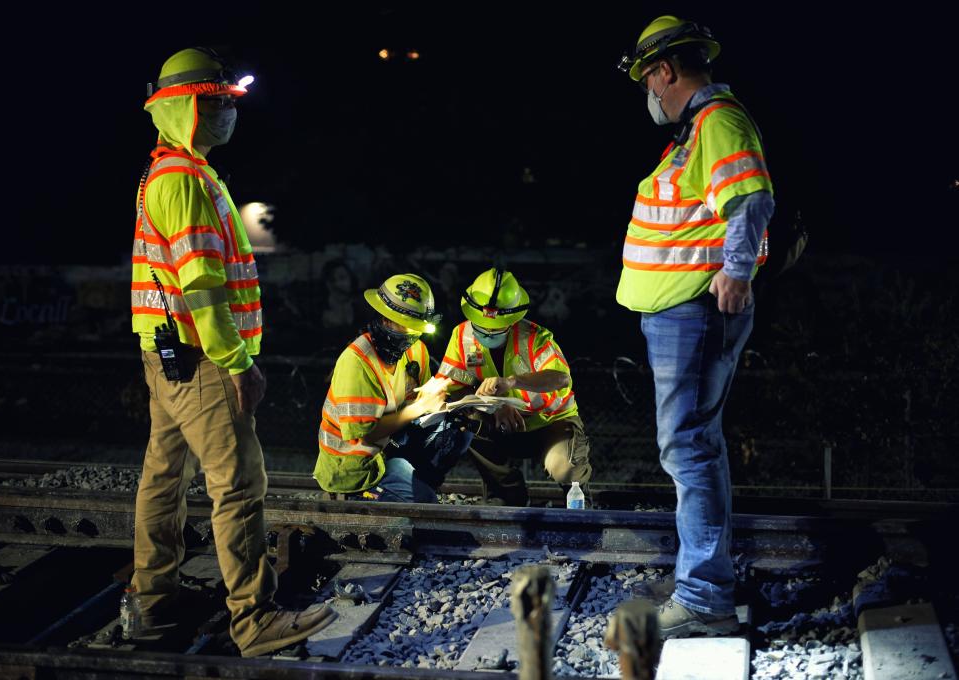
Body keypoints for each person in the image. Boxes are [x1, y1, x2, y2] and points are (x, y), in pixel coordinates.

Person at [130, 47, 335, 657]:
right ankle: (253, 620)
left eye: (228, 104)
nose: (227, 114)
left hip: (168, 356)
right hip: (203, 359)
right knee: (239, 485)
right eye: (215, 103)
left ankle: (153, 602)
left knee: (164, 477)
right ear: (184, 109)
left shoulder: (167, 172)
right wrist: (238, 363)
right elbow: (202, 288)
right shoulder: (185, 182)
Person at [615, 16, 774, 638]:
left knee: (688, 447)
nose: (648, 95)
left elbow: (752, 198)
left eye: (646, 80)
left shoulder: (719, 122)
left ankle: (705, 594)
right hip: (680, 312)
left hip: (694, 311)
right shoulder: (699, 130)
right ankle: (701, 579)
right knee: (693, 445)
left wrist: (736, 272)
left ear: (664, 71)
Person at [436, 268, 592, 506]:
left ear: (512, 320)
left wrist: (512, 382)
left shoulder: (536, 337)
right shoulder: (461, 336)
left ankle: (578, 504)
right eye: (482, 326)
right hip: (500, 423)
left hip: (550, 422)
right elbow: (451, 387)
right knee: (464, 423)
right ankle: (508, 497)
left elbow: (561, 379)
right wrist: (494, 407)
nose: (488, 332)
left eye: (496, 327)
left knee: (565, 469)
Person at [314, 273, 476, 502]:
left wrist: (459, 398)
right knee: (425, 504)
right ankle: (361, 494)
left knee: (461, 426)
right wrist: (419, 408)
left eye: (417, 327)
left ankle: (417, 483)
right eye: (406, 326)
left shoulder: (416, 350)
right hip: (357, 465)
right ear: (385, 318)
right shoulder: (357, 361)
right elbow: (366, 434)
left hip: (392, 446)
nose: (412, 334)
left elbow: (422, 400)